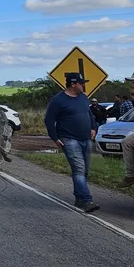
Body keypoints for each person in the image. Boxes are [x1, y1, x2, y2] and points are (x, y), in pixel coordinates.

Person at [44, 73, 100, 213]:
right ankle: (87, 200)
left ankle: (79, 198)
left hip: (86, 139)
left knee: (84, 170)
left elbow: (89, 114)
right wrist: (55, 137)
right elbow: (49, 120)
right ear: (73, 84)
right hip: (69, 139)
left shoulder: (83, 97)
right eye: (81, 83)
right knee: (79, 169)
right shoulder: (58, 100)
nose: (84, 86)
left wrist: (93, 127)